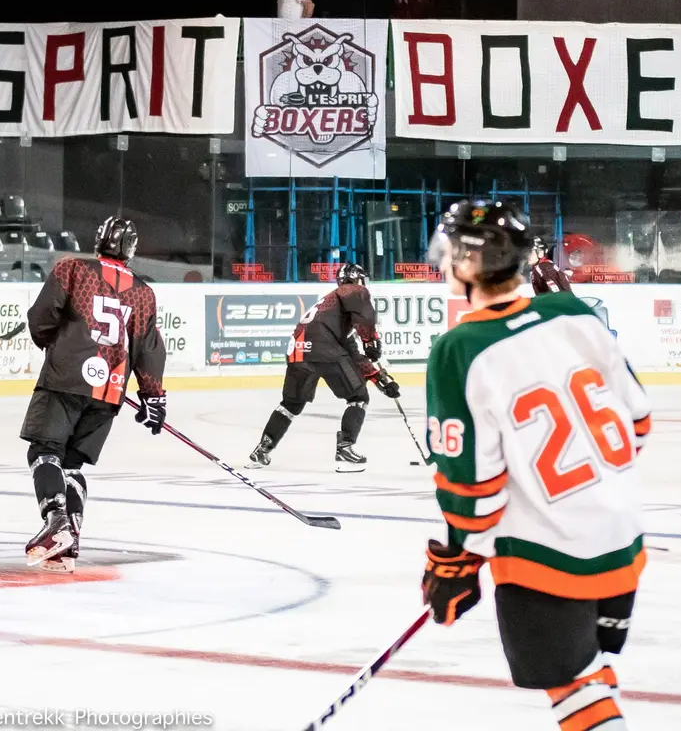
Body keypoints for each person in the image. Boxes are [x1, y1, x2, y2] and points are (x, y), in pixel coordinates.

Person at [420, 200, 651, 731]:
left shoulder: (460, 348)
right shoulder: (571, 312)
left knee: (570, 689)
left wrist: (455, 561)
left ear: (472, 263)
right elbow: (637, 423)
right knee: (590, 668)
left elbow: (473, 490)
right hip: (622, 540)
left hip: (549, 558)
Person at [20, 216, 167, 572]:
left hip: (65, 378)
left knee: (45, 451)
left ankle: (57, 523)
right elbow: (149, 349)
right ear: (131, 249)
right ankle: (68, 546)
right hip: (109, 391)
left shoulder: (72, 268)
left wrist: (55, 347)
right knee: (72, 464)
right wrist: (153, 396)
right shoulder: (144, 292)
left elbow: (41, 317)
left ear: (98, 240)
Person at [247, 263, 399, 473]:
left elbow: (352, 353)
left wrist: (379, 377)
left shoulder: (330, 308)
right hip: (324, 349)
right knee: (358, 398)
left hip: (299, 350)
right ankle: (345, 449)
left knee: (291, 404)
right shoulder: (353, 290)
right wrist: (371, 341)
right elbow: (362, 327)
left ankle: (262, 450)